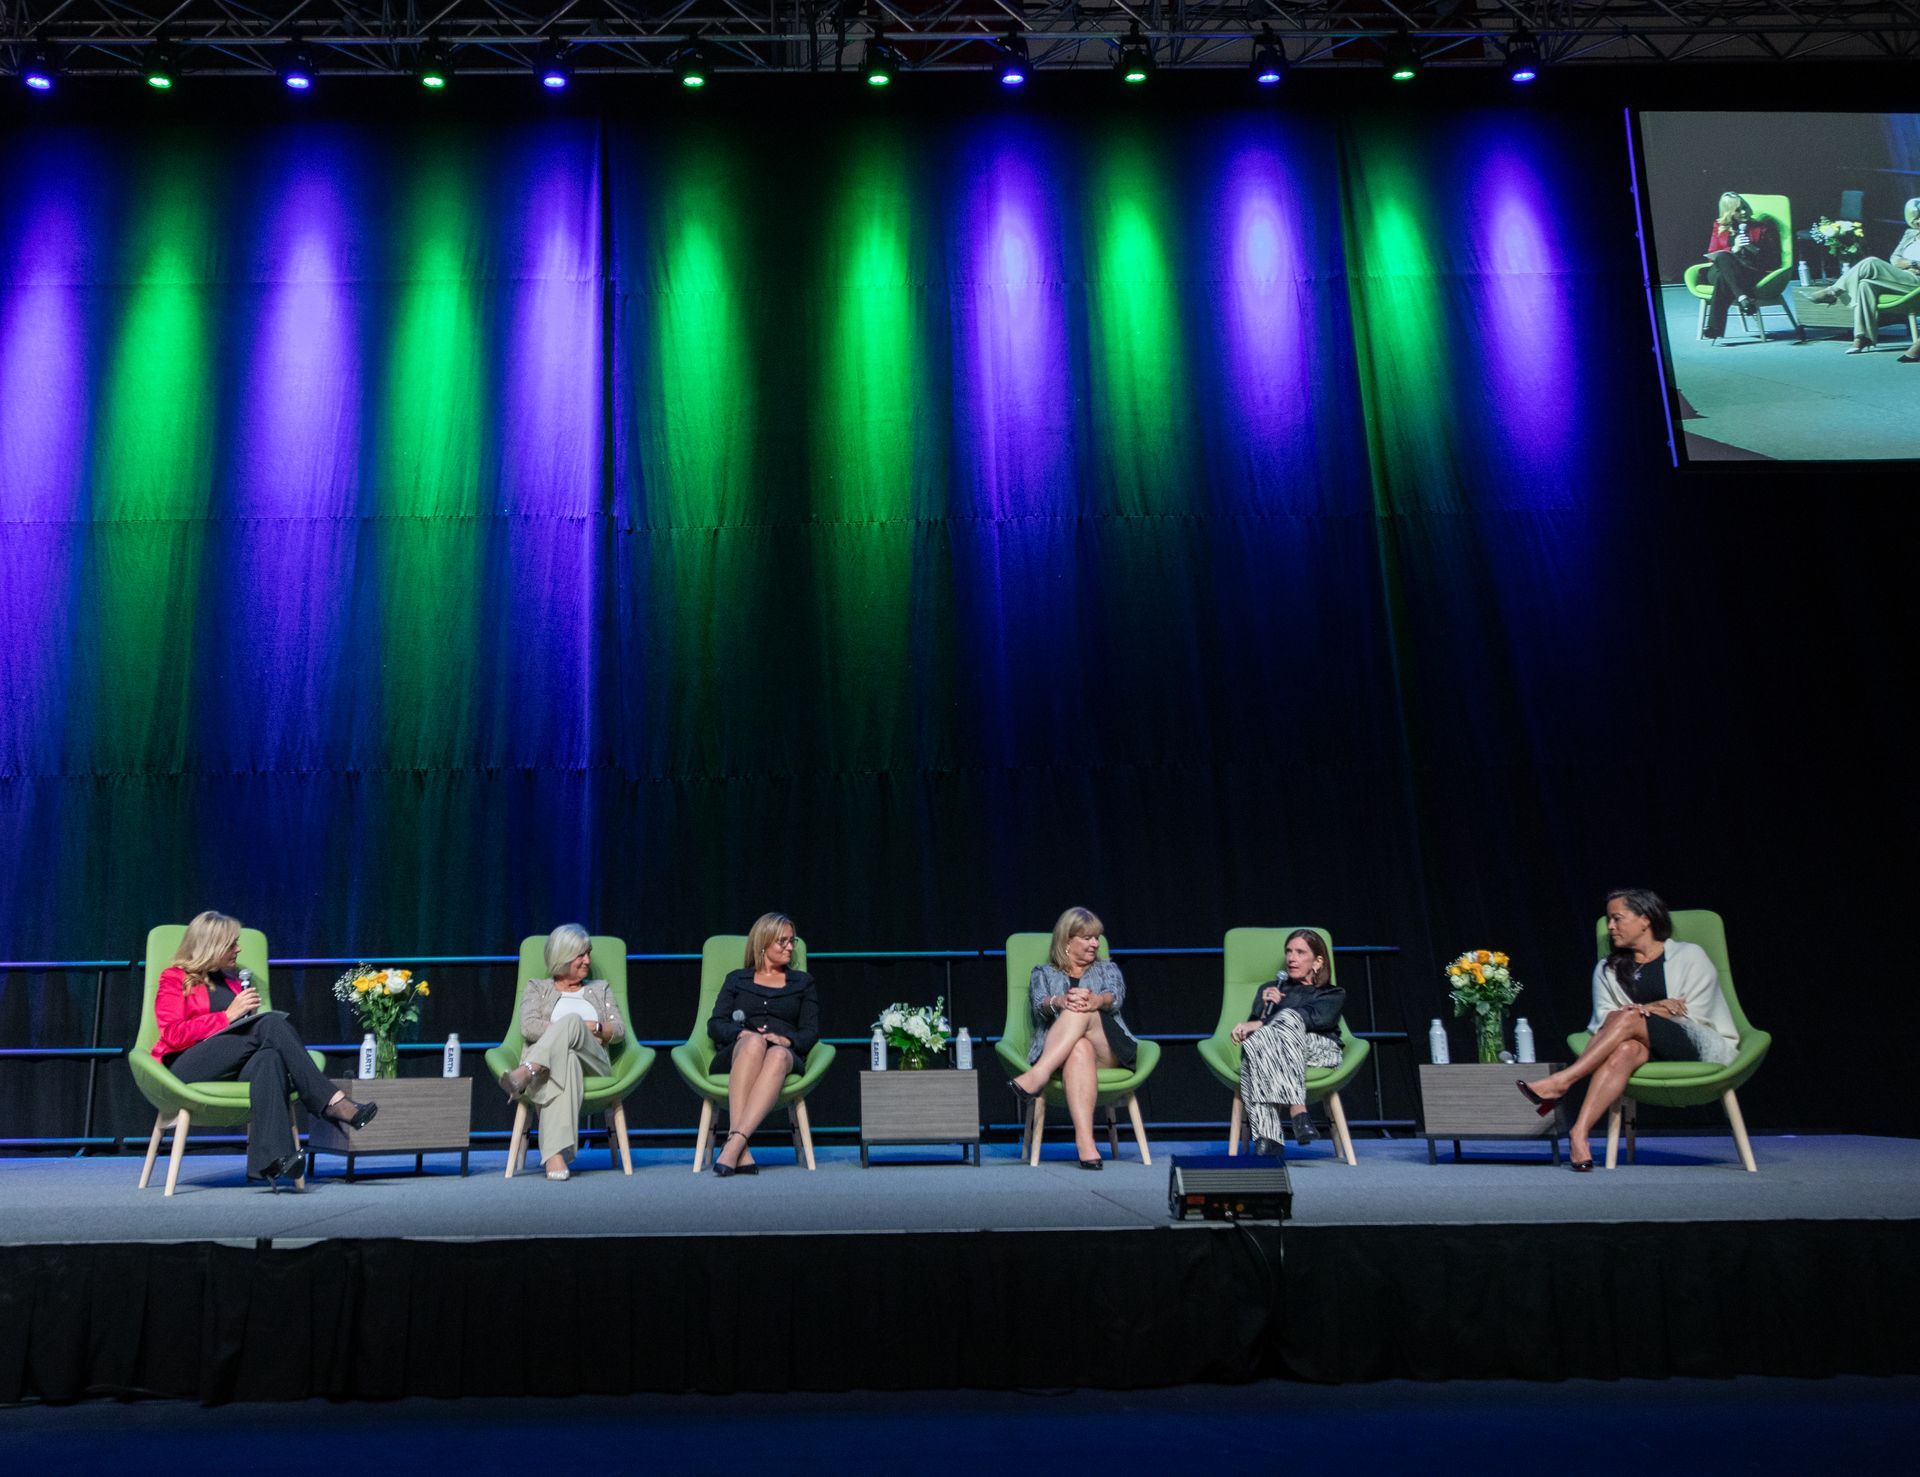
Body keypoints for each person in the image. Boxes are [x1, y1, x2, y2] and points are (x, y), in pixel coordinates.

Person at [1517, 889, 1739, 1171]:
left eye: (1617, 919)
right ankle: (1579, 1134)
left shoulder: (1689, 956)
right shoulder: (1607, 969)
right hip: (1641, 1046)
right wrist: (1655, 1007)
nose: (1610, 927)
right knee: (1624, 1047)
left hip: (1695, 1042)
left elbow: (1694, 1011)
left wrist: (1641, 1012)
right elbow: (1604, 1021)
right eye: (1609, 920)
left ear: (1645, 920)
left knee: (1629, 1017)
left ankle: (1563, 1081)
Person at [154, 910, 377, 1188]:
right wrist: (227, 1016)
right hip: (187, 1065)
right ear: (211, 945)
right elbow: (172, 1034)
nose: (239, 948)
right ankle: (331, 1101)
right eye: (232, 944)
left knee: (269, 1058)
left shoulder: (235, 981)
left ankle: (274, 1160)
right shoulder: (174, 978)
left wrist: (245, 1018)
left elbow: (242, 1034)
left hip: (231, 1063)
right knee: (270, 1024)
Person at [1010, 906, 1140, 1170]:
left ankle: (1039, 1074)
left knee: (1082, 1008)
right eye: (1087, 938)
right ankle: (1085, 1143)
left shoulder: (1107, 969)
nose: (1095, 944)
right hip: (1067, 1055)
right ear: (1067, 941)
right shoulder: (1043, 973)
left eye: (1097, 938)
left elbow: (1115, 996)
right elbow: (1038, 1005)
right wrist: (1058, 1001)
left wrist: (1096, 1000)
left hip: (1109, 1049)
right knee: (1079, 1046)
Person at [498, 923, 625, 1182]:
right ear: (562, 956)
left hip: (595, 1061)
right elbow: (529, 1026)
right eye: (581, 955)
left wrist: (595, 1027)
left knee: (573, 1021)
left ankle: (527, 1071)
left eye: (588, 953)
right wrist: (565, 1035)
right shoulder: (538, 988)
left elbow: (620, 1030)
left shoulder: (600, 989)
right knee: (566, 1058)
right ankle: (555, 1155)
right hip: (558, 1065)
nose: (587, 960)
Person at [706, 913, 819, 1177]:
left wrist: (786, 1039)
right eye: (783, 942)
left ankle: (733, 1144)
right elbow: (715, 1024)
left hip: (785, 1055)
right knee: (754, 1042)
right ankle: (740, 1148)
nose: (790, 947)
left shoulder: (803, 983)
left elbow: (811, 1032)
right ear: (763, 944)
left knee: (778, 1054)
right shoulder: (737, 979)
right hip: (740, 1052)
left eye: (792, 941)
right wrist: (740, 1034)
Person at [1230, 928, 1345, 1154]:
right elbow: (1253, 1036)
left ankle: (1293, 1110)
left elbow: (1311, 1019)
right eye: (1289, 951)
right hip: (1272, 1052)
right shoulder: (1270, 990)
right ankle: (1272, 1138)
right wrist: (1263, 1012)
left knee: (1288, 1018)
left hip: (1318, 1050)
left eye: (1300, 952)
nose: (1292, 958)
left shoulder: (1332, 993)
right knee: (1256, 1046)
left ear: (1317, 961)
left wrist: (1264, 1022)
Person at [1805, 198, 1920, 357]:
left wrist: (1910, 264)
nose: (1918, 222)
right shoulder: (1910, 234)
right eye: (1915, 219)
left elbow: (1902, 262)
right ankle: (1862, 337)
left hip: (1917, 282)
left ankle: (1833, 292)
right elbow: (1894, 260)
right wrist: (1913, 263)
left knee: (1871, 262)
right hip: (1902, 278)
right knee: (1865, 284)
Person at [1699, 193, 1777, 341]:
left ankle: (1714, 329)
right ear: (1728, 212)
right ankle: (1743, 297)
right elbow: (1712, 254)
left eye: (1745, 207)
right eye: (1737, 210)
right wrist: (1734, 249)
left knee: (1724, 279)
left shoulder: (1761, 228)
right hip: (1720, 268)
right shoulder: (1719, 227)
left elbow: (1773, 259)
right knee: (1723, 257)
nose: (1743, 212)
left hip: (1749, 271)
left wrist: (1752, 248)